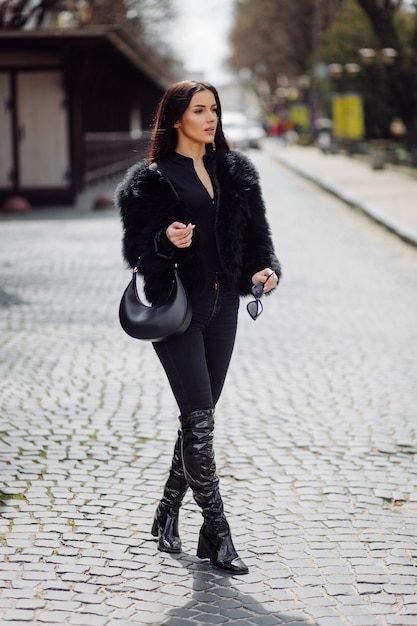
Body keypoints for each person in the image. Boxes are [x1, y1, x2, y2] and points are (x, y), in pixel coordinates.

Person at [115, 80, 281, 575]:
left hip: (224, 308)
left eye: (214, 110)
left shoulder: (235, 172)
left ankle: (167, 513)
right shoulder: (149, 181)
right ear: (176, 119)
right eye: (199, 111)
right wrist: (166, 242)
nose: (211, 119)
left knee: (196, 419)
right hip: (178, 312)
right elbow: (140, 259)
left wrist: (264, 271)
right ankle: (218, 533)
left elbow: (258, 241)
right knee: (202, 425)